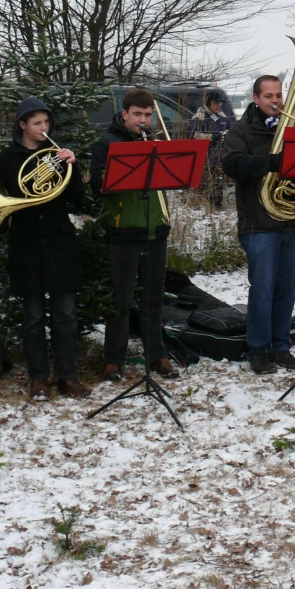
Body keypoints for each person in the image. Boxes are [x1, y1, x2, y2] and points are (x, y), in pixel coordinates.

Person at [222, 75, 295, 375]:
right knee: (264, 289)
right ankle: (258, 350)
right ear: (256, 98)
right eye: (268, 96)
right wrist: (271, 161)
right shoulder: (241, 130)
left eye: (279, 95)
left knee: (287, 288)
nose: (275, 101)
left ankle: (281, 346)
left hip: (292, 222)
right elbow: (231, 165)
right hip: (259, 224)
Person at [0, 97, 90, 401]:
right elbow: (6, 200)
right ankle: (38, 378)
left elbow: (77, 201)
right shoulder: (5, 160)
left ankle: (67, 376)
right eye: (37, 123)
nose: (43, 128)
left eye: (46, 123)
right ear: (22, 124)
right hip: (26, 242)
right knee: (32, 316)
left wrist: (72, 168)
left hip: (59, 241)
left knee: (66, 314)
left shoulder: (57, 157)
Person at [90, 88, 179, 384]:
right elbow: (96, 183)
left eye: (148, 115)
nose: (143, 120)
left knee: (154, 299)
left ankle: (157, 355)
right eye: (137, 115)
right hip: (123, 230)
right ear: (125, 114)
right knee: (121, 300)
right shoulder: (108, 143)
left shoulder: (156, 142)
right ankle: (113, 359)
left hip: (155, 228)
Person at [188, 91, 231, 209]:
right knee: (207, 188)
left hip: (221, 158)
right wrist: (213, 137)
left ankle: (218, 207)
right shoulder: (199, 117)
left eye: (219, 104)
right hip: (206, 159)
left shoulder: (222, 117)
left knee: (219, 186)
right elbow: (194, 136)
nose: (218, 106)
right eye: (215, 103)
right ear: (208, 103)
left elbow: (230, 131)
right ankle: (206, 208)